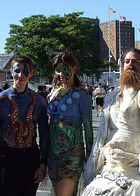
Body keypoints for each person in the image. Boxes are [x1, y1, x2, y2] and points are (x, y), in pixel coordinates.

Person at [82, 48, 140, 196]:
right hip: (110, 160)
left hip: (135, 164)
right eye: (127, 61)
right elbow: (104, 130)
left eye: (135, 61)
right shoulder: (113, 94)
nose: (130, 64)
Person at [0, 55, 49, 196]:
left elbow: (44, 135)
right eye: (17, 70)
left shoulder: (39, 101)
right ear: (11, 71)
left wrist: (43, 164)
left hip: (30, 157)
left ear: (31, 73)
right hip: (5, 158)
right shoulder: (2, 99)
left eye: (25, 71)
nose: (20, 75)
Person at [47, 51, 93, 196]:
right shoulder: (55, 92)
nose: (61, 74)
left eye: (65, 69)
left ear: (74, 69)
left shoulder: (81, 95)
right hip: (53, 153)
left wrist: (89, 154)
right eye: (58, 70)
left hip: (72, 154)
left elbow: (88, 127)